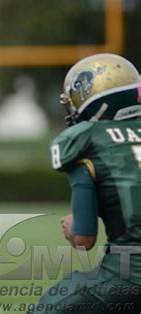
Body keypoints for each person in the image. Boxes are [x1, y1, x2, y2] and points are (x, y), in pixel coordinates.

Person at [33, 53, 141, 313]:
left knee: (48, 308)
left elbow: (84, 238)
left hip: (131, 272)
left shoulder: (87, 142)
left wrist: (73, 228)